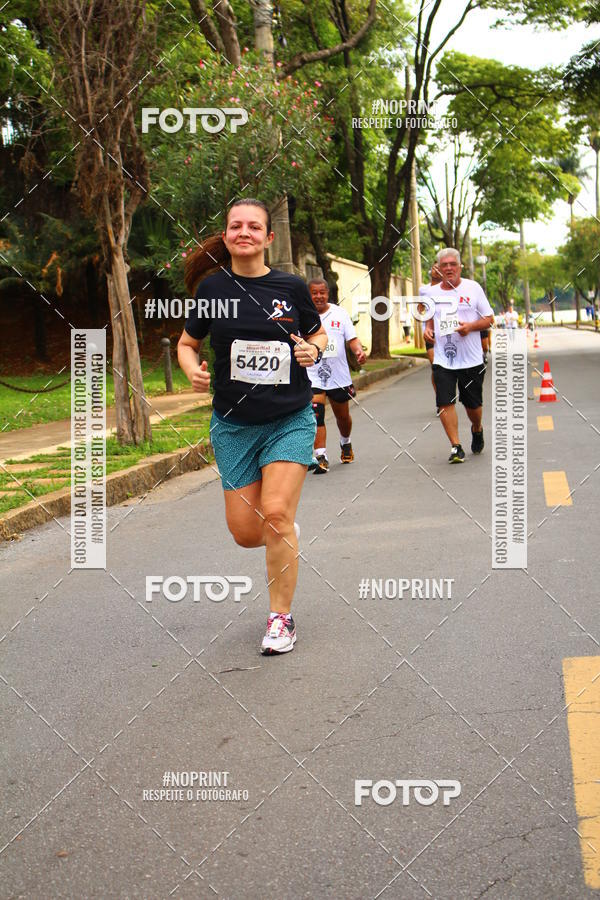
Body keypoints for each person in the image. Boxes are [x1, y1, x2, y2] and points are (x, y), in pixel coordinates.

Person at [177, 199, 328, 655]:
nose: (244, 232)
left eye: (254, 226)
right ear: (226, 236)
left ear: (268, 237)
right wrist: (191, 369)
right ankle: (282, 534)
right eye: (235, 226)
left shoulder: (292, 287)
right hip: (234, 425)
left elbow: (319, 332)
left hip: (290, 418)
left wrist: (313, 351)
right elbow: (187, 344)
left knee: (276, 513)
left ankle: (280, 618)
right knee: (246, 532)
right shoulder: (212, 290)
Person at [423, 248, 494, 463]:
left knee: (473, 406)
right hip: (444, 358)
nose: (449, 268)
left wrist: (470, 326)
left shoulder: (473, 288)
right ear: (439, 268)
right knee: (445, 401)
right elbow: (429, 319)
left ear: (460, 266)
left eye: (452, 264)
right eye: (444, 265)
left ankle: (477, 428)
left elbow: (489, 319)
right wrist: (427, 329)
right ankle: (456, 446)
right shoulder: (431, 293)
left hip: (471, 358)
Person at [307, 279, 367, 472]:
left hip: (338, 376)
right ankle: (321, 456)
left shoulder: (339, 314)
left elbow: (353, 339)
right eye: (314, 293)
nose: (318, 296)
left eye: (322, 292)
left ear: (327, 294)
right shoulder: (304, 314)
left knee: (343, 416)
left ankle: (345, 442)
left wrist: (358, 351)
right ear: (309, 295)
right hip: (312, 375)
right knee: (316, 414)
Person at [418, 264, 443, 405]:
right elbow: (420, 308)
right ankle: (440, 398)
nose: (437, 270)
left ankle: (446, 392)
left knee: (446, 368)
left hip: (445, 331)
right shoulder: (424, 290)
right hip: (429, 331)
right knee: (436, 366)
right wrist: (419, 313)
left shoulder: (448, 288)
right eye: (435, 267)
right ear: (431, 271)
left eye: (439, 268)